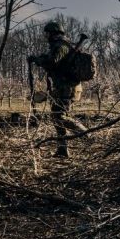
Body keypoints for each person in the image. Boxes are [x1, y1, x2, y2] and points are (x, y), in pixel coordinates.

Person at [30, 21, 88, 158]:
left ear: (53, 33)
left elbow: (51, 63)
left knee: (61, 116)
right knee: (57, 117)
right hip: (63, 87)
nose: (46, 36)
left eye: (48, 33)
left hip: (67, 87)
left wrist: (38, 60)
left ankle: (87, 134)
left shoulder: (61, 46)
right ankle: (62, 150)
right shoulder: (62, 45)